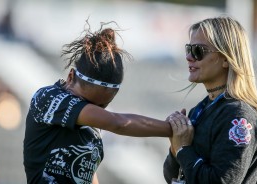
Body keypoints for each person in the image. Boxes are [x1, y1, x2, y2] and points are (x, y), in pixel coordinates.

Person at [23, 23, 174, 184]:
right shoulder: (48, 98)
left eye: (103, 106)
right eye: (87, 103)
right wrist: (173, 128)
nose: (95, 111)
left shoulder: (90, 126)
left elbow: (86, 175)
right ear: (70, 77)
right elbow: (118, 123)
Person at [163, 16, 257, 184]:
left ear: (226, 59)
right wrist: (175, 145)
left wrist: (183, 149)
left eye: (198, 50)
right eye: (188, 49)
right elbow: (173, 177)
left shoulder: (239, 116)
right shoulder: (201, 109)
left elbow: (222, 181)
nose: (189, 57)